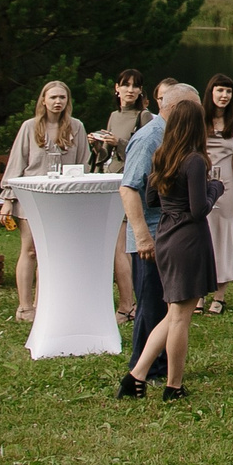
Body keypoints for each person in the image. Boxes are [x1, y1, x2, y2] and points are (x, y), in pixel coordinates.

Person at [120, 96, 221, 401]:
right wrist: (216, 187)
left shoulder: (161, 155)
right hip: (188, 239)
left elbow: (151, 199)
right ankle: (173, 385)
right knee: (180, 317)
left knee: (173, 314)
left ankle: (135, 376)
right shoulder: (194, 161)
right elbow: (199, 208)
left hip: (164, 233)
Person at [120, 80, 194, 382]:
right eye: (192, 108)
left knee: (167, 304)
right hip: (150, 236)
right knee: (151, 305)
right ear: (175, 109)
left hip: (169, 235)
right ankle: (145, 368)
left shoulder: (174, 137)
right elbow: (129, 189)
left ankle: (158, 365)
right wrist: (141, 236)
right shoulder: (149, 138)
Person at [1, 81, 90, 324]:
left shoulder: (76, 127)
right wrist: (8, 199)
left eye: (62, 97)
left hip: (62, 199)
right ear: (43, 100)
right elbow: (16, 163)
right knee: (30, 250)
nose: (57, 102)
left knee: (53, 252)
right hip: (31, 197)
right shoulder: (29, 127)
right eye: (52, 97)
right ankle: (25, 306)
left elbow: (84, 163)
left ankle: (45, 304)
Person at [96, 71, 151, 319]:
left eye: (135, 86)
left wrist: (119, 141)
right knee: (116, 247)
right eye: (126, 85)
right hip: (112, 181)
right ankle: (127, 303)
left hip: (131, 185)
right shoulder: (113, 116)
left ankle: (127, 305)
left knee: (123, 248)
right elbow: (106, 157)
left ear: (141, 91)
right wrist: (98, 144)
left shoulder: (144, 117)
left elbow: (147, 157)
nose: (130, 90)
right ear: (116, 88)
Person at [197, 74, 233, 314]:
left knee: (223, 236)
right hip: (201, 180)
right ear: (211, 92)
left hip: (226, 183)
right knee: (200, 237)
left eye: (228, 92)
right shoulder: (199, 117)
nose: (224, 96)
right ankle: (198, 294)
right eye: (220, 91)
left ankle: (220, 295)